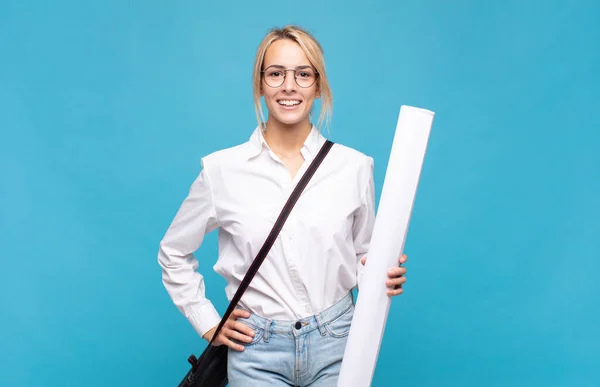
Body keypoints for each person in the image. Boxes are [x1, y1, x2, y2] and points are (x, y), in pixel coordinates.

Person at [158, 25, 408, 386]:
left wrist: (382, 274)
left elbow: (362, 256)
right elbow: (173, 252)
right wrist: (207, 322)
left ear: (318, 87)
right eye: (276, 73)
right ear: (261, 84)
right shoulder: (221, 170)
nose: (289, 86)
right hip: (255, 348)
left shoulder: (354, 166)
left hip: (338, 340)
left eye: (303, 74)